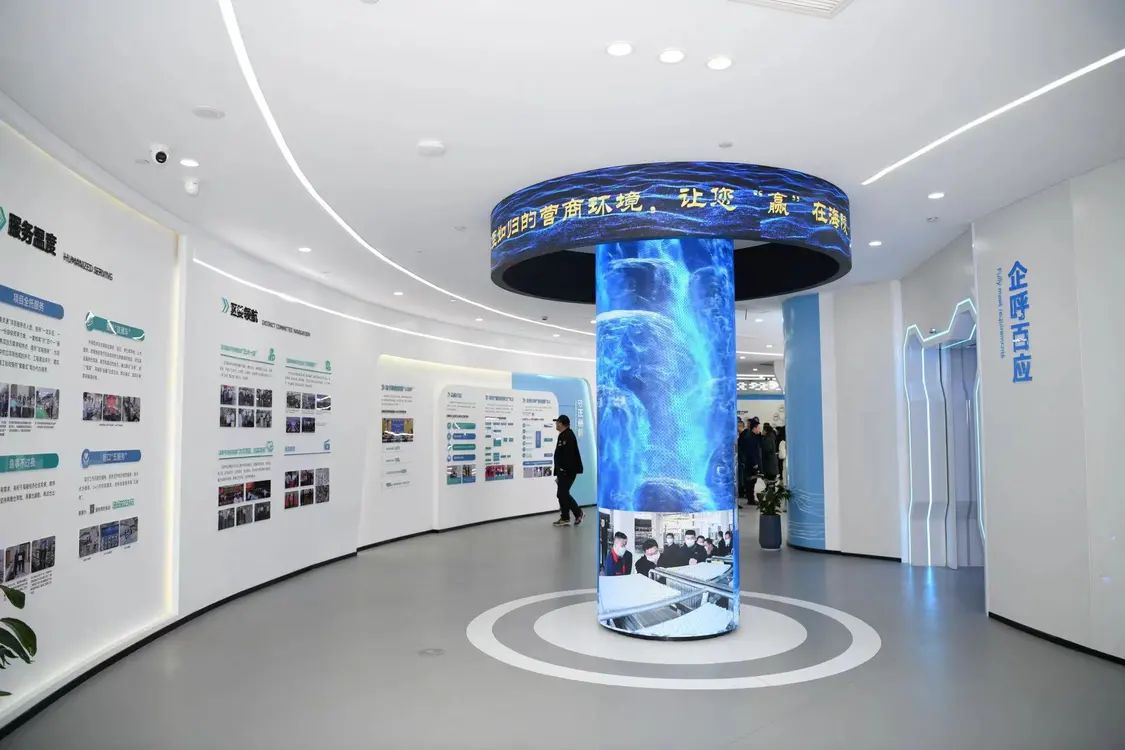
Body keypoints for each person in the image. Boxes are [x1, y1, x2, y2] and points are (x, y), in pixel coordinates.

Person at [551, 415, 585, 527]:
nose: (556, 424)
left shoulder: (568, 436)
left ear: (561, 423)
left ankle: (578, 513)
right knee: (562, 494)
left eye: (557, 422)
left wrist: (563, 471)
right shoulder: (563, 435)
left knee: (563, 493)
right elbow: (560, 456)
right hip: (563, 471)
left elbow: (569, 456)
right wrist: (558, 473)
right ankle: (565, 517)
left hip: (568, 471)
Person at [739, 417, 763, 505]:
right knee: (750, 481)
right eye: (758, 428)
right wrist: (754, 463)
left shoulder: (754, 436)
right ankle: (750, 499)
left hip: (752, 462)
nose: (759, 430)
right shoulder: (750, 437)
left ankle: (751, 498)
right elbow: (751, 452)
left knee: (752, 481)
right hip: (751, 463)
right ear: (754, 428)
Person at [735, 417, 746, 498]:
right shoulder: (738, 435)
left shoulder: (744, 436)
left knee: (741, 478)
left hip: (741, 460)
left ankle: (741, 492)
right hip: (738, 460)